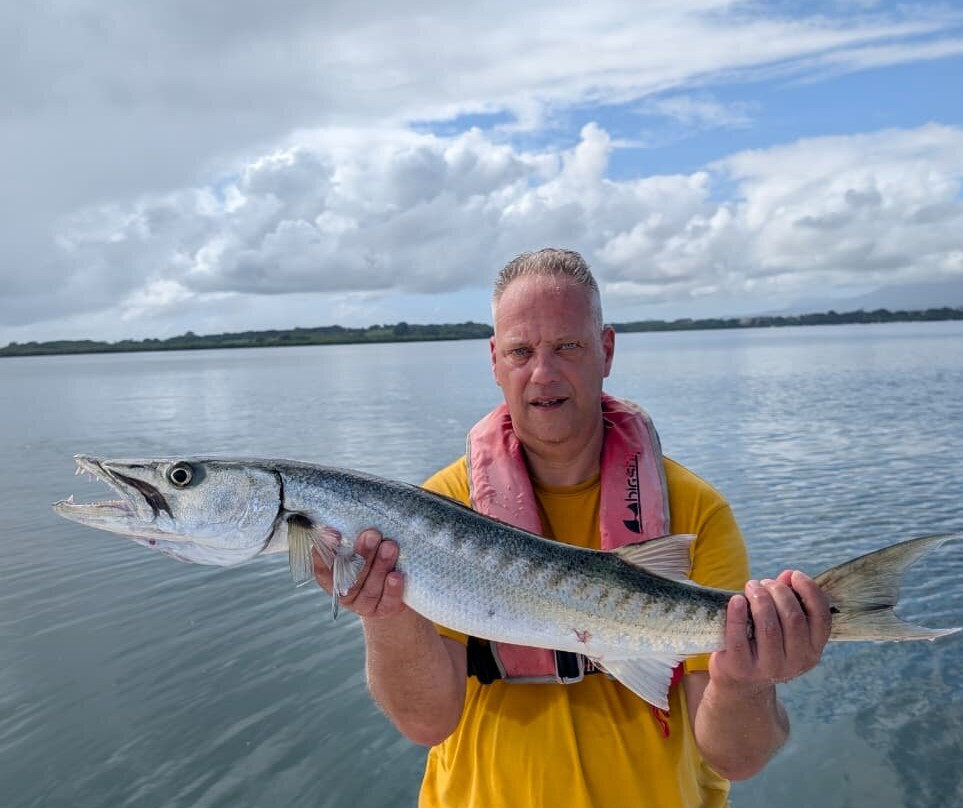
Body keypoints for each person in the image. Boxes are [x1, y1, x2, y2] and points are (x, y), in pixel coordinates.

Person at [313, 248, 832, 808]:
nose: (544, 372)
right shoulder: (437, 513)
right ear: (494, 360)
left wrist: (748, 681)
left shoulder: (696, 513)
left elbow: (738, 757)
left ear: (605, 351)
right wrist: (385, 615)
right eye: (521, 351)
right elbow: (425, 723)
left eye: (568, 346)